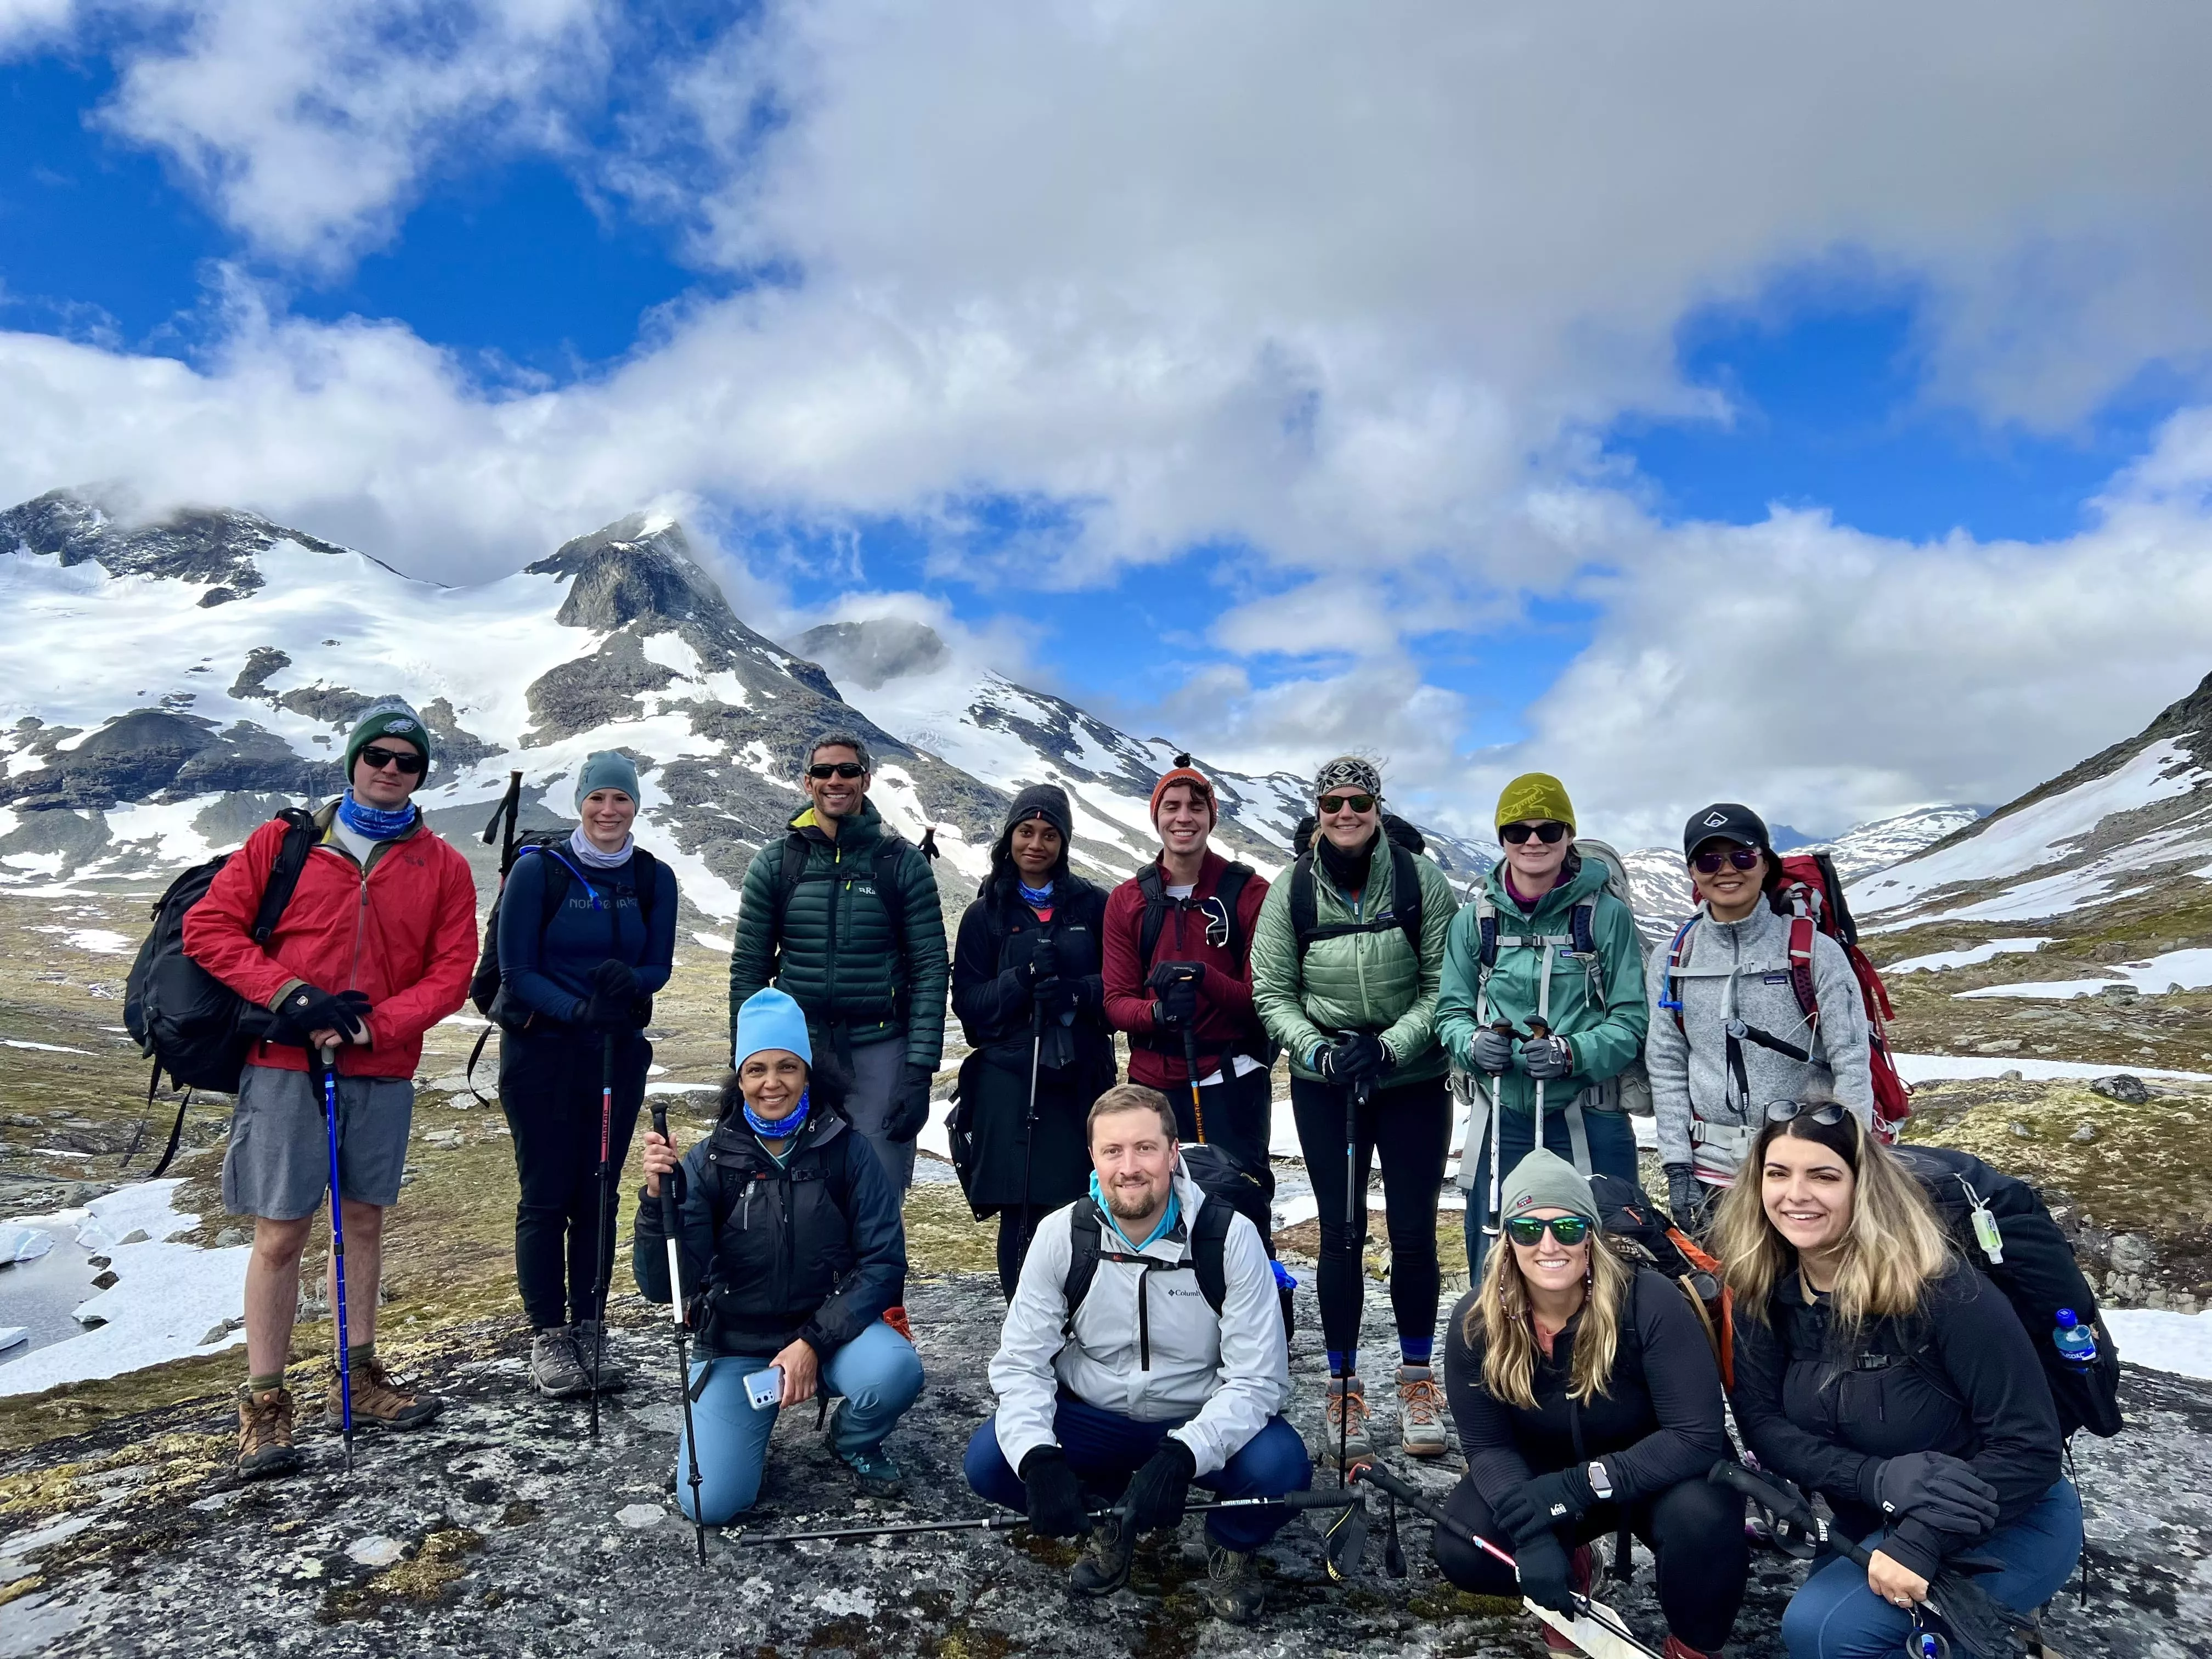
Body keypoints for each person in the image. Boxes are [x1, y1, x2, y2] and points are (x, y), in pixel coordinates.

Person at [183, 698, 478, 1479]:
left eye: (406, 761)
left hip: (379, 1068)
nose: (389, 769)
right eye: (376, 755)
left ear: (421, 774)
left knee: (366, 1223)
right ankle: (264, 1405)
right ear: (352, 760)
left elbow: (452, 973)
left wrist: (370, 1025)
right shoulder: (286, 845)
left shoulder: (442, 865)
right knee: (281, 1233)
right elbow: (210, 931)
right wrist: (291, 996)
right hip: (284, 1067)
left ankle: (362, 1373)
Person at [1718, 1092, 2079, 1659]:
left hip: (2010, 1516)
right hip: (1877, 1517)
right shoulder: (1762, 1292)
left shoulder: (1945, 1292)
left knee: (1823, 1632)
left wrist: (1924, 1537)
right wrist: (1875, 1480)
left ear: (1864, 1188)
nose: (1796, 1195)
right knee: (1823, 1630)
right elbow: (1765, 1429)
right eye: (1778, 1173)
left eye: (1824, 1176)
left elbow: (2029, 1447)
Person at [964, 1084, 1312, 1624]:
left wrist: (1184, 1455)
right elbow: (1022, 1363)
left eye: (1146, 1148)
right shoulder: (1062, 1236)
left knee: (1282, 1466)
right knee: (993, 1462)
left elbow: (1258, 1380)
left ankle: (1231, 1543)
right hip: (1097, 1412)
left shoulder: (1230, 1237)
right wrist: (1038, 1457)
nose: (1130, 1167)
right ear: (1094, 1158)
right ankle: (1105, 1518)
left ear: (1173, 1153)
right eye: (1113, 1151)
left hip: (1199, 1409)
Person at [1436, 1150, 1745, 1659]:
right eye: (1529, 1230)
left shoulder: (1648, 1301)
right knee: (1464, 1545)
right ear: (1508, 1239)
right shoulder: (1477, 1321)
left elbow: (1696, 1436)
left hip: (1658, 1475)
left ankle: (1691, 1647)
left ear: (1591, 1236)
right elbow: (1488, 1444)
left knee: (1705, 1520)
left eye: (1569, 1227)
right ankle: (1571, 1582)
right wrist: (1532, 1534)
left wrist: (1573, 1489)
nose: (1550, 1245)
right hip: (1548, 1473)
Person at [635, 988, 923, 1517]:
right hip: (736, 1346)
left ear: (808, 1072)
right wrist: (659, 1205)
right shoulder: (708, 1162)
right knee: (709, 1503)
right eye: (757, 1069)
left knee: (895, 1369)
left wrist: (812, 1342)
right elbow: (662, 1287)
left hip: (833, 1337)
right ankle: (739, 1438)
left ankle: (853, 1440)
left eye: (788, 1067)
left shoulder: (849, 1151)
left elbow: (883, 1263)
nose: (773, 1083)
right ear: (739, 1079)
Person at [1249, 755, 1459, 1464]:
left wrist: (1392, 1048)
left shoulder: (1420, 880)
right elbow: (1272, 990)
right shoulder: (1292, 891)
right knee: (1340, 1233)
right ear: (1318, 808)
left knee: (1412, 1231)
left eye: (1358, 802)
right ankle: (1342, 1386)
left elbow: (1443, 983)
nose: (1346, 814)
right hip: (1327, 1083)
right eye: (1333, 803)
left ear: (1376, 806)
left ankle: (1416, 1379)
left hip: (1412, 1081)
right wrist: (1321, 1052)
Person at [495, 751, 679, 1398]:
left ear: (636, 806)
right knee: (546, 1194)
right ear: (580, 803)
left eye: (621, 800)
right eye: (598, 798)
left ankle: (592, 1326)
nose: (609, 811)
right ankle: (549, 1337)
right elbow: (516, 971)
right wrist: (578, 1009)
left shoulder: (653, 878)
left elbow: (660, 964)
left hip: (615, 1054)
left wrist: (629, 982)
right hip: (542, 1052)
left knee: (599, 1191)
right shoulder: (538, 871)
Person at [1438, 772, 1648, 1279]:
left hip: (1592, 1116)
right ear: (1502, 838)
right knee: (1497, 1259)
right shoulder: (1474, 921)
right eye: (1518, 830)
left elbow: (1631, 1019)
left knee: (1612, 1258)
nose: (1533, 841)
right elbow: (1449, 1012)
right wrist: (1472, 1044)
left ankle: (1606, 1356)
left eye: (1549, 829)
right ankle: (1498, 1358)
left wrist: (1571, 1053)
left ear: (1569, 836)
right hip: (1502, 1115)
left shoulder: (1606, 916)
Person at [728, 730, 947, 1198]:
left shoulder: (902, 864)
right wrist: (744, 1059)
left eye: (847, 771)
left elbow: (931, 968)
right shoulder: (775, 863)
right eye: (824, 771)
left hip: (880, 1048)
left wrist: (918, 1071)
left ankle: (881, 1273)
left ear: (865, 780)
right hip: (797, 1051)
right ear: (808, 783)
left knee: (879, 1190)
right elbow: (749, 967)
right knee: (799, 1189)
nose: (836, 780)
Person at [1646, 803, 1872, 1238]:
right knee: (1726, 1300)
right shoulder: (1674, 957)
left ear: (1766, 864)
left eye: (1742, 856)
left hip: (1803, 1170)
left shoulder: (1815, 950)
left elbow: (1850, 1057)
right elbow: (1667, 1062)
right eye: (1709, 859)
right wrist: (1678, 1167)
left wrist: (1852, 1157)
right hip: (1712, 1173)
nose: (1726, 870)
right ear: (1693, 872)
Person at [950, 784, 1115, 1298]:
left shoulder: (1095, 906)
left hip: (1080, 1077)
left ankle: (1084, 1323)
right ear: (1010, 837)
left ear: (1064, 842)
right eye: (1026, 832)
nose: (1037, 844)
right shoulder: (984, 915)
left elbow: (1120, 987)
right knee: (1020, 1214)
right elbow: (969, 1006)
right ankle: (1025, 1329)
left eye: (1050, 834)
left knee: (1082, 1204)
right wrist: (1020, 978)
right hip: (1009, 1081)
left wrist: (1074, 991)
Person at [1101, 754, 1274, 1189]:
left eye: (1196, 808)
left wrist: (1204, 979)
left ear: (1212, 818)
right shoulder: (1127, 901)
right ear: (1156, 816)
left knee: (1238, 1203)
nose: (1184, 818)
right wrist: (1158, 1016)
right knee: (1151, 1205)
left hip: (1231, 1079)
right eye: (1171, 806)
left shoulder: (1251, 893)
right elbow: (1116, 1001)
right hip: (1152, 1086)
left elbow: (1262, 1000)